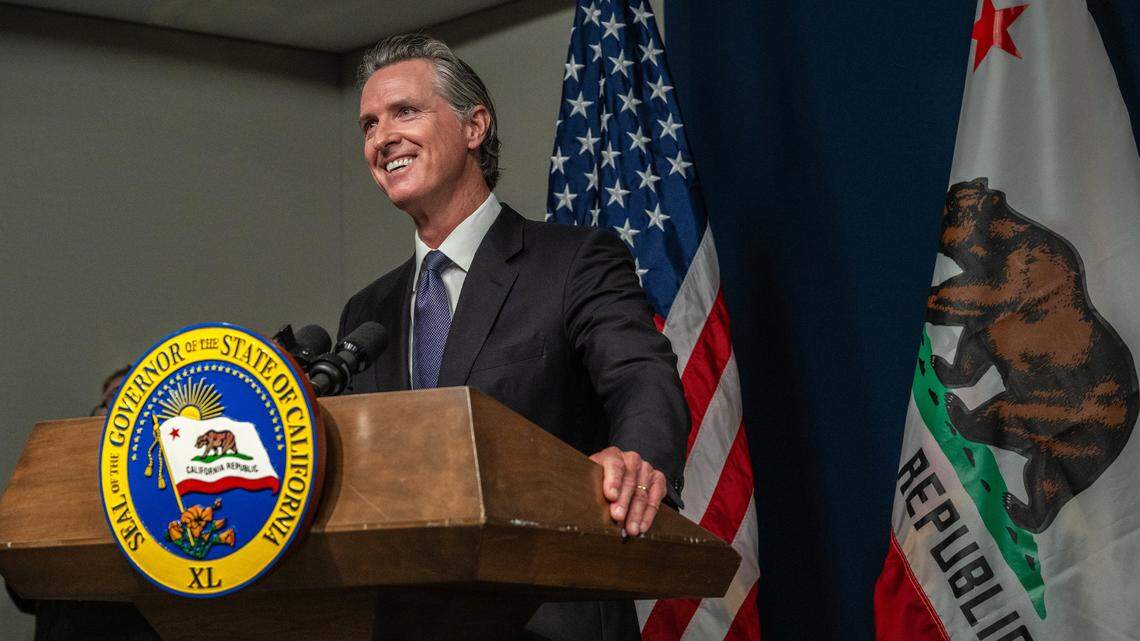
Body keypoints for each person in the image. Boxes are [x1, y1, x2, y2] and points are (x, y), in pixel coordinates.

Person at [337, 34, 689, 641]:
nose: (381, 136)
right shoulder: (366, 312)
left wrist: (638, 456)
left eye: (405, 112)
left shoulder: (573, 261)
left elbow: (640, 374)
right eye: (369, 123)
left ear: (475, 126)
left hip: (548, 614)